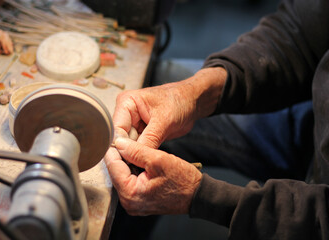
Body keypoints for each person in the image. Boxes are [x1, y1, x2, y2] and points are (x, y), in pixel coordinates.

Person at [104, 0, 329, 239]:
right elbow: (298, 33)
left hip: (316, 213)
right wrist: (193, 93)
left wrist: (201, 195)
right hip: (313, 124)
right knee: (153, 88)